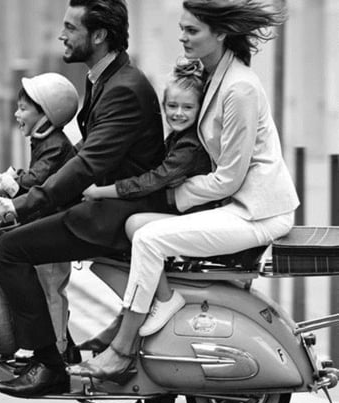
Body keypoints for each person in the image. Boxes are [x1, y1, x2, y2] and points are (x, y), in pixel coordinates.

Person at [68, 0, 299, 383]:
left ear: (220, 33)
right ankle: (145, 309)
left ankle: (123, 348)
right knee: (134, 225)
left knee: (148, 238)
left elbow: (229, 177)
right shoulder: (214, 77)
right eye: (182, 28)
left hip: (256, 212)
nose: (182, 36)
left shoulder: (239, 88)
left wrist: (171, 197)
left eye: (192, 30)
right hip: (233, 206)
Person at [0, 0, 165, 397]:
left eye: (71, 27)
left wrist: (25, 204)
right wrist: (23, 185)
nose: (61, 35)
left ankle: (48, 364)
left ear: (99, 35)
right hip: (103, 204)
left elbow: (87, 163)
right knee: (22, 237)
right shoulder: (106, 78)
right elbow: (84, 150)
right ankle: (61, 348)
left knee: (8, 251)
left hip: (117, 213)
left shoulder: (125, 88)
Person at [76, 57, 216, 352]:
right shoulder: (177, 138)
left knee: (132, 227)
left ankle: (161, 300)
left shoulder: (190, 145)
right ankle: (126, 319)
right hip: (178, 211)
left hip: (194, 218)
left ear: (200, 109)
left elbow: (153, 180)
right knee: (119, 245)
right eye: (172, 106)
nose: (178, 113)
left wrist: (102, 192)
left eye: (187, 107)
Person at [0, 73, 79, 362]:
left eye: (24, 108)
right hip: (42, 223)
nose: (17, 114)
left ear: (47, 113)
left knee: (51, 289)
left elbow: (38, 178)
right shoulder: (43, 140)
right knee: (44, 288)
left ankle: (59, 351)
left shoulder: (54, 144)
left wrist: (13, 181)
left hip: (54, 227)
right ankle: (64, 345)